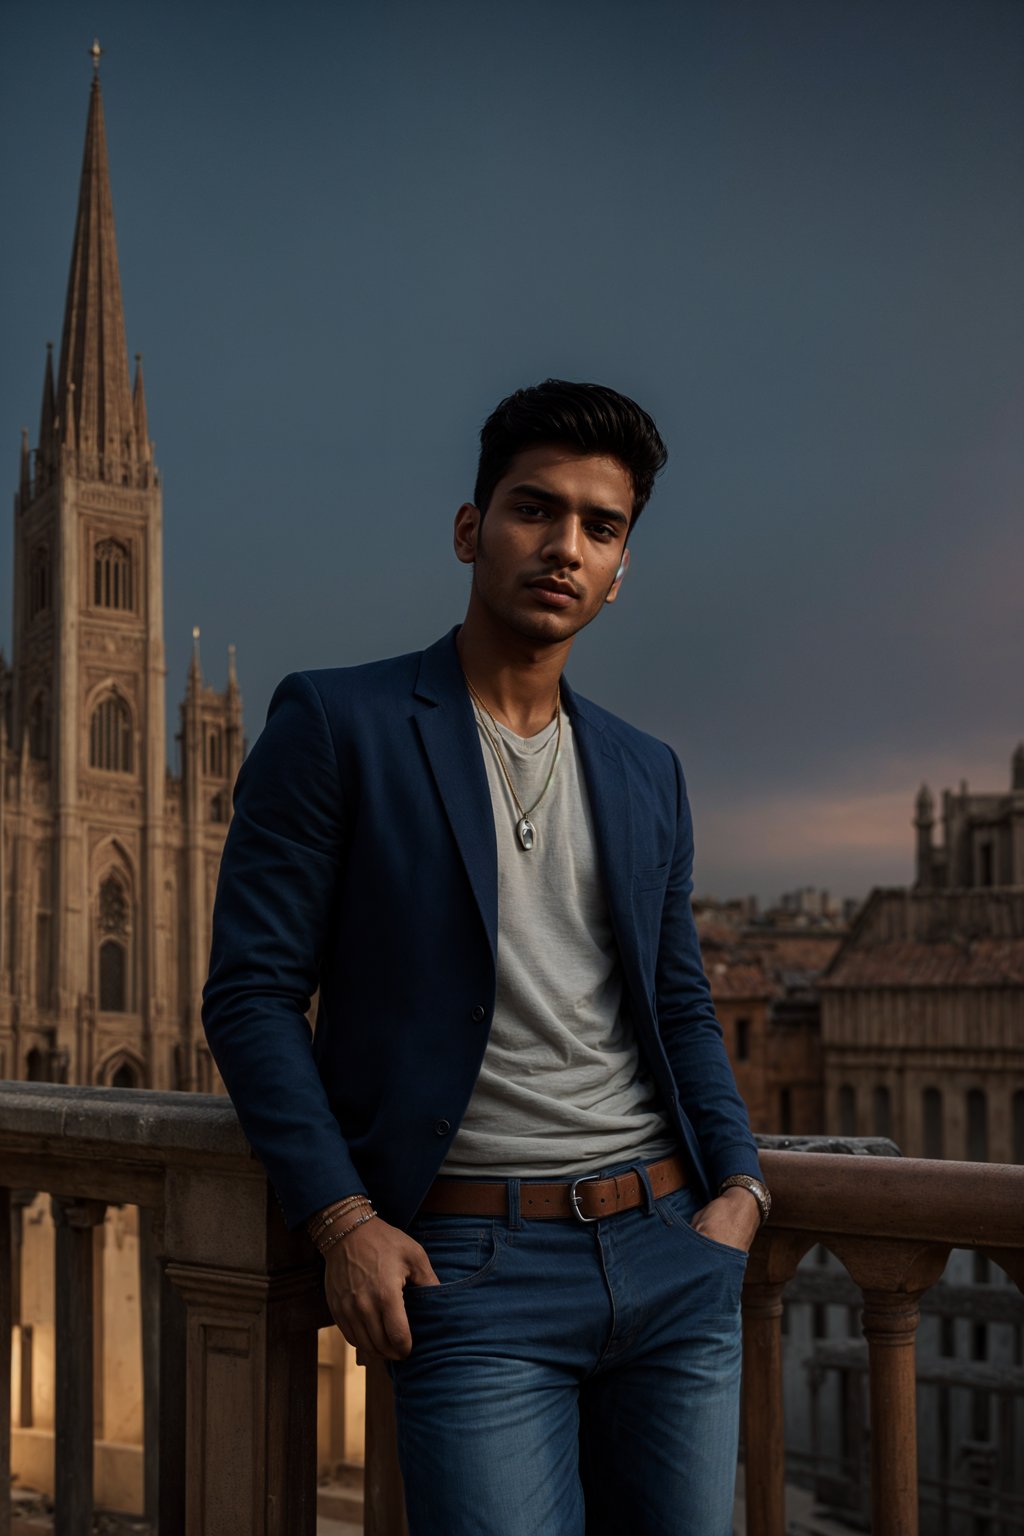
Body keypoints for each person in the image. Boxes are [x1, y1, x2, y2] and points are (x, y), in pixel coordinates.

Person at [202, 379, 770, 1535]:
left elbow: (678, 1004)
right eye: (534, 509)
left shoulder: (645, 768)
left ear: (620, 568)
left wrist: (742, 1194)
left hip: (671, 1253)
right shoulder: (337, 723)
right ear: (471, 530)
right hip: (468, 1267)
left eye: (599, 527)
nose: (564, 546)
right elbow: (252, 995)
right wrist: (344, 1222)